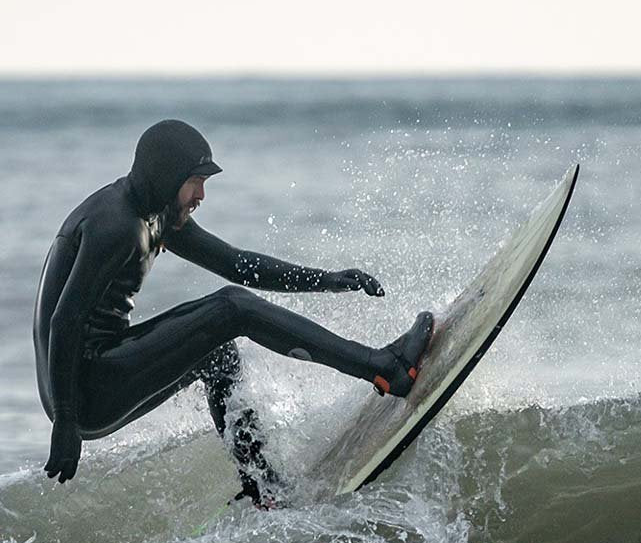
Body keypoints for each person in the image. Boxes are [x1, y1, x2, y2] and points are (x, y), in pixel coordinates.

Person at [32, 119, 434, 507]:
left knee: (219, 353)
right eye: (196, 182)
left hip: (91, 376)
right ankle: (383, 367)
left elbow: (237, 264)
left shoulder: (155, 212)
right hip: (80, 387)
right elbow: (63, 321)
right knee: (231, 308)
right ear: (166, 177)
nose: (201, 196)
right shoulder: (116, 226)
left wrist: (325, 280)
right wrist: (67, 420)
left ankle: (264, 487)